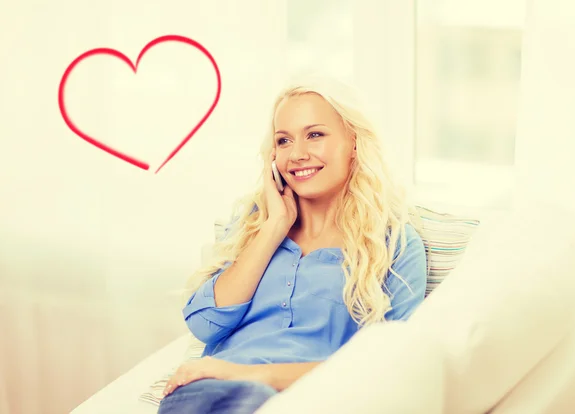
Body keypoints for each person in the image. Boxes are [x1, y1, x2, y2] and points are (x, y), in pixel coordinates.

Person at [158, 76, 428, 414]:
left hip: (310, 400)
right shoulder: (251, 225)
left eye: (315, 135)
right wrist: (273, 228)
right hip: (211, 397)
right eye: (284, 141)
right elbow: (205, 324)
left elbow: (389, 367)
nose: (297, 154)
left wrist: (254, 375)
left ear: (355, 142)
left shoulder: (393, 244)